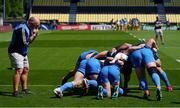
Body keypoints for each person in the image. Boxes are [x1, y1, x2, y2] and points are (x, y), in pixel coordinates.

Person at [8, 17, 40, 97]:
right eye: (36, 25)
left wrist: (34, 36)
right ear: (31, 22)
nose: (36, 27)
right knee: (19, 70)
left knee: (26, 69)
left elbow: (28, 42)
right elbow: (25, 43)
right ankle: (15, 91)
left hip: (23, 52)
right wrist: (33, 35)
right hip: (15, 51)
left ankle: (24, 89)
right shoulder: (21, 29)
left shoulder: (29, 27)